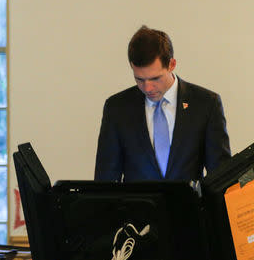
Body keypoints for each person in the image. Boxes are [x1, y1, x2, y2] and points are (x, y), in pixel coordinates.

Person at [94, 25, 231, 182]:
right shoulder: (117, 108)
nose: (147, 88)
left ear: (172, 65)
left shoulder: (206, 104)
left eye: (155, 78)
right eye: (139, 79)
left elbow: (221, 176)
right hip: (137, 207)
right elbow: (105, 181)